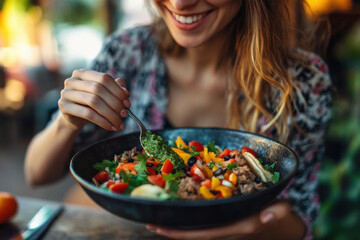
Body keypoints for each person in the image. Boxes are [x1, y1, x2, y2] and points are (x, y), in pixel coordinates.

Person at [25, 0, 332, 239]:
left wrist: (255, 230)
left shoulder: (303, 82)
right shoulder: (127, 53)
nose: (181, 3)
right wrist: (66, 121)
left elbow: (302, 219)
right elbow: (36, 174)